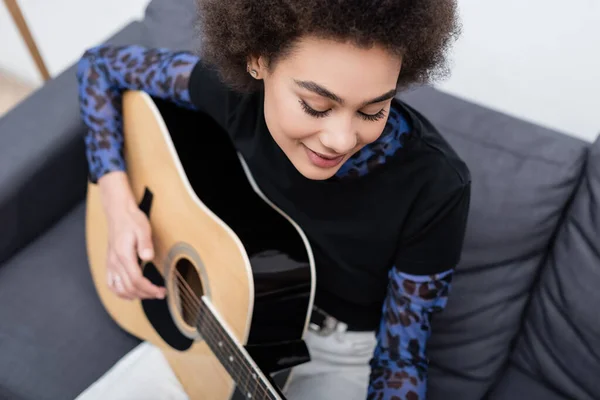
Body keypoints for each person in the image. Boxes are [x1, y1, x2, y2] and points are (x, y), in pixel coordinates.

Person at [75, 0, 470, 399]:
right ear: (258, 61)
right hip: (225, 300)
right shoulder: (233, 96)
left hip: (339, 353)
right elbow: (99, 67)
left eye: (372, 111)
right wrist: (118, 203)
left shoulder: (436, 186)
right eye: (316, 106)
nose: (341, 139)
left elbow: (402, 357)